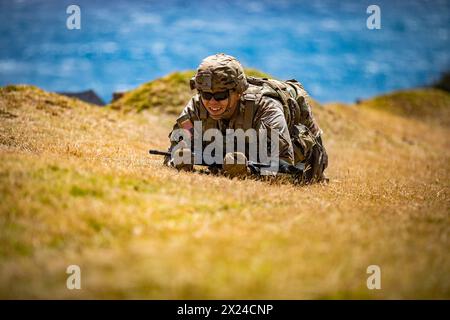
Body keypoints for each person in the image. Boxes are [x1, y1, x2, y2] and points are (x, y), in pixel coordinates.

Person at [164, 53, 328, 183]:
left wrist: (248, 171)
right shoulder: (196, 107)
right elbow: (173, 150)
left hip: (305, 161)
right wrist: (179, 159)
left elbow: (285, 169)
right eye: (206, 94)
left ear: (238, 92)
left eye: (220, 95)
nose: (212, 102)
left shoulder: (266, 108)